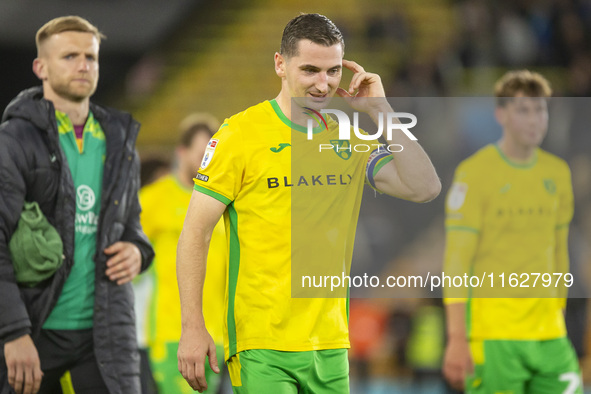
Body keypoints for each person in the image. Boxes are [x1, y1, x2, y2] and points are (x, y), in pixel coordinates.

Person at [176, 13, 441, 393]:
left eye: (333, 71)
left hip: (331, 344)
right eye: (311, 70)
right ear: (280, 64)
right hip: (262, 341)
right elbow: (195, 234)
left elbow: (425, 187)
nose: (323, 84)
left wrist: (382, 113)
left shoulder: (348, 139)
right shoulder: (239, 135)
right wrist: (193, 327)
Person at [0, 16, 154, 394]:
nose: (84, 65)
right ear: (41, 67)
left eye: (91, 56)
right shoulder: (14, 139)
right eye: (69, 56)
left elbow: (130, 222)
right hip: (35, 328)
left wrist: (137, 250)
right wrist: (13, 332)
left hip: (106, 331)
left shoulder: (119, 140)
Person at [442, 70, 581, 393]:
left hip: (550, 335)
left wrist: (559, 310)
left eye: (540, 110)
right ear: (501, 115)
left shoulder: (558, 173)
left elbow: (559, 251)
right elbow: (456, 261)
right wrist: (457, 338)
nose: (535, 120)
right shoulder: (474, 173)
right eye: (523, 110)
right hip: (494, 335)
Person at [136, 114, 226, 394]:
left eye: (213, 155)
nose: (206, 162)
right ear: (181, 153)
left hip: (221, 336)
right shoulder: (153, 199)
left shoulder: (226, 203)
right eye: (201, 154)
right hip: (170, 333)